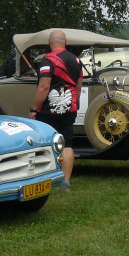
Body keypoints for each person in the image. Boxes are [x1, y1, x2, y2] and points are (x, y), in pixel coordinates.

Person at [29, 29, 82, 191]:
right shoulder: (77, 61)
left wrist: (34, 108)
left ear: (50, 43)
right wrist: (75, 103)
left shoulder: (48, 60)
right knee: (67, 143)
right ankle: (65, 182)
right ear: (65, 42)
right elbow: (79, 86)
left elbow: (44, 87)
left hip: (49, 110)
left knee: (44, 143)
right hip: (70, 106)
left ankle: (44, 179)